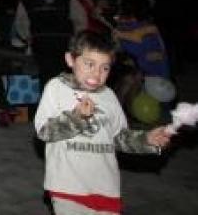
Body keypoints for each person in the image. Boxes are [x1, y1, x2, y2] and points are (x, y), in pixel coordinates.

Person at [34, 30, 171, 214]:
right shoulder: (56, 88)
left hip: (106, 187)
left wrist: (146, 140)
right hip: (67, 186)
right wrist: (77, 118)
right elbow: (44, 132)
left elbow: (119, 137)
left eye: (104, 67)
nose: (97, 74)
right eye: (89, 64)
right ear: (70, 60)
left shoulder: (108, 96)